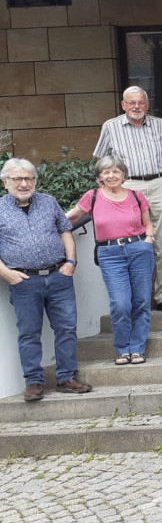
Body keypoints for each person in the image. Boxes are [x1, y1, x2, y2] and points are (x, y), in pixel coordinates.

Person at [0, 159, 92, 401]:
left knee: (66, 329)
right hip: (24, 281)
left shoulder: (49, 202)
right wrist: (5, 272)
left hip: (58, 277)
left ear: (35, 180)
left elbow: (65, 231)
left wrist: (71, 262)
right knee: (29, 333)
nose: (23, 183)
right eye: (17, 179)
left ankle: (67, 378)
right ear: (5, 182)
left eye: (28, 178)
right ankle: (34, 382)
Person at [93, 86, 162, 312]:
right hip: (127, 186)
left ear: (147, 104)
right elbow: (102, 161)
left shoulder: (160, 125)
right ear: (123, 105)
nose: (136, 107)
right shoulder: (110, 126)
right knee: (133, 241)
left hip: (160, 183)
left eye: (140, 102)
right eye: (131, 103)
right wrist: (105, 191)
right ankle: (138, 296)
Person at [66, 156, 155, 364]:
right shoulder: (92, 196)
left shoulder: (136, 195)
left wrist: (148, 240)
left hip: (139, 250)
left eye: (116, 171)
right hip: (110, 254)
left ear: (123, 174)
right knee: (120, 303)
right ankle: (123, 348)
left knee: (141, 301)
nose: (111, 175)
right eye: (106, 172)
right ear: (99, 177)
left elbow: (147, 223)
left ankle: (138, 348)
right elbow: (70, 219)